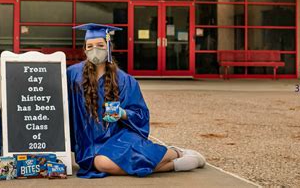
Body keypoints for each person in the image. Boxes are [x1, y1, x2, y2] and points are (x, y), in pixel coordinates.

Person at [66, 23, 206, 178]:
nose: (95, 50)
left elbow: (141, 113)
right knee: (103, 162)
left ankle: (174, 153)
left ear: (108, 47)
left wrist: (123, 113)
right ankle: (173, 162)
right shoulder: (73, 75)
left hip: (117, 137)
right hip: (88, 143)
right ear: (85, 49)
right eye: (90, 46)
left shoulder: (124, 80)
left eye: (100, 45)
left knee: (102, 163)